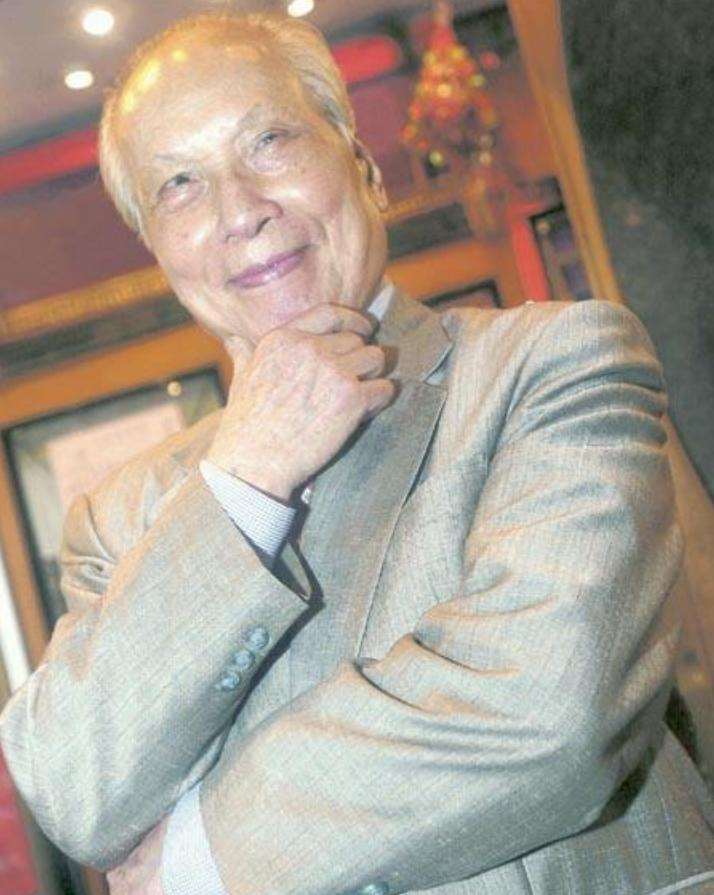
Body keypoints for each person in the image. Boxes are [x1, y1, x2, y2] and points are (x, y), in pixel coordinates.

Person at [1, 11, 713, 895]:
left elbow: (550, 705)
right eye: (180, 184)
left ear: (364, 166)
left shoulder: (552, 365)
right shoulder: (122, 516)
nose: (239, 210)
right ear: (158, 250)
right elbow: (76, 791)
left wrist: (200, 857)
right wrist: (244, 479)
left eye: (269, 141)